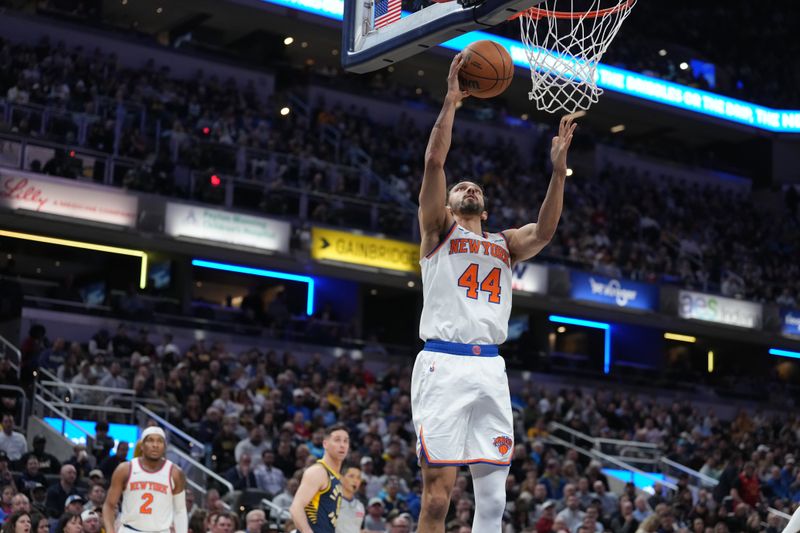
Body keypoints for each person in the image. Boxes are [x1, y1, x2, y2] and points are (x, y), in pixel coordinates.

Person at [412, 52, 576, 533]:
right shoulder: (438, 231)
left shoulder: (504, 243)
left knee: (492, 500)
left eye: (474, 187)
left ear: (484, 206)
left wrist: (557, 171)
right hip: (443, 363)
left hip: (490, 367)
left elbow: (545, 231)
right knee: (438, 501)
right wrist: (451, 102)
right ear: (448, 202)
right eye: (459, 187)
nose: (468, 188)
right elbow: (434, 160)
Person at [102, 427, 188, 533]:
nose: (155, 445)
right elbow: (109, 505)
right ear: (142, 446)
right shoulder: (125, 469)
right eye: (150, 440)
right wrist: (110, 531)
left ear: (165, 447)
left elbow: (180, 510)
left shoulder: (175, 473)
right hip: (130, 530)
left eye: (159, 441)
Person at [288, 424, 350, 532]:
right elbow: (296, 508)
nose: (342, 445)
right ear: (325, 444)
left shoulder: (338, 477)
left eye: (346, 441)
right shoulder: (319, 471)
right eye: (337, 440)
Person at [335, 466, 365, 533]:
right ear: (341, 478)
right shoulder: (331, 501)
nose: (355, 480)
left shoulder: (360, 506)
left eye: (358, 478)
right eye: (351, 476)